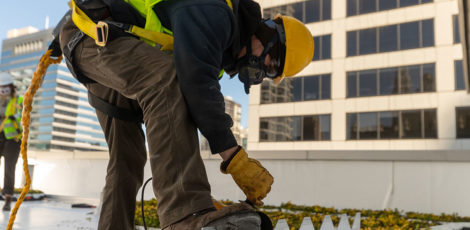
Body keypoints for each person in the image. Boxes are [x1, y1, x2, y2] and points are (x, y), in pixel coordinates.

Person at [52, 0, 314, 229]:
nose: (265, 69)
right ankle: (185, 214)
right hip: (93, 37)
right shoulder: (216, 12)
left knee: (126, 159)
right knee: (170, 79)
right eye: (274, 61)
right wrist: (233, 157)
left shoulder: (216, 50)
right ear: (268, 33)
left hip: (107, 47)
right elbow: (196, 85)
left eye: (271, 72)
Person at [0, 72, 23, 212]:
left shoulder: (19, 100)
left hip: (13, 138)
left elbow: (26, 118)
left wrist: (15, 116)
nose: (3, 88)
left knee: (9, 168)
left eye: (5, 86)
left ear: (11, 86)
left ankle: (8, 199)